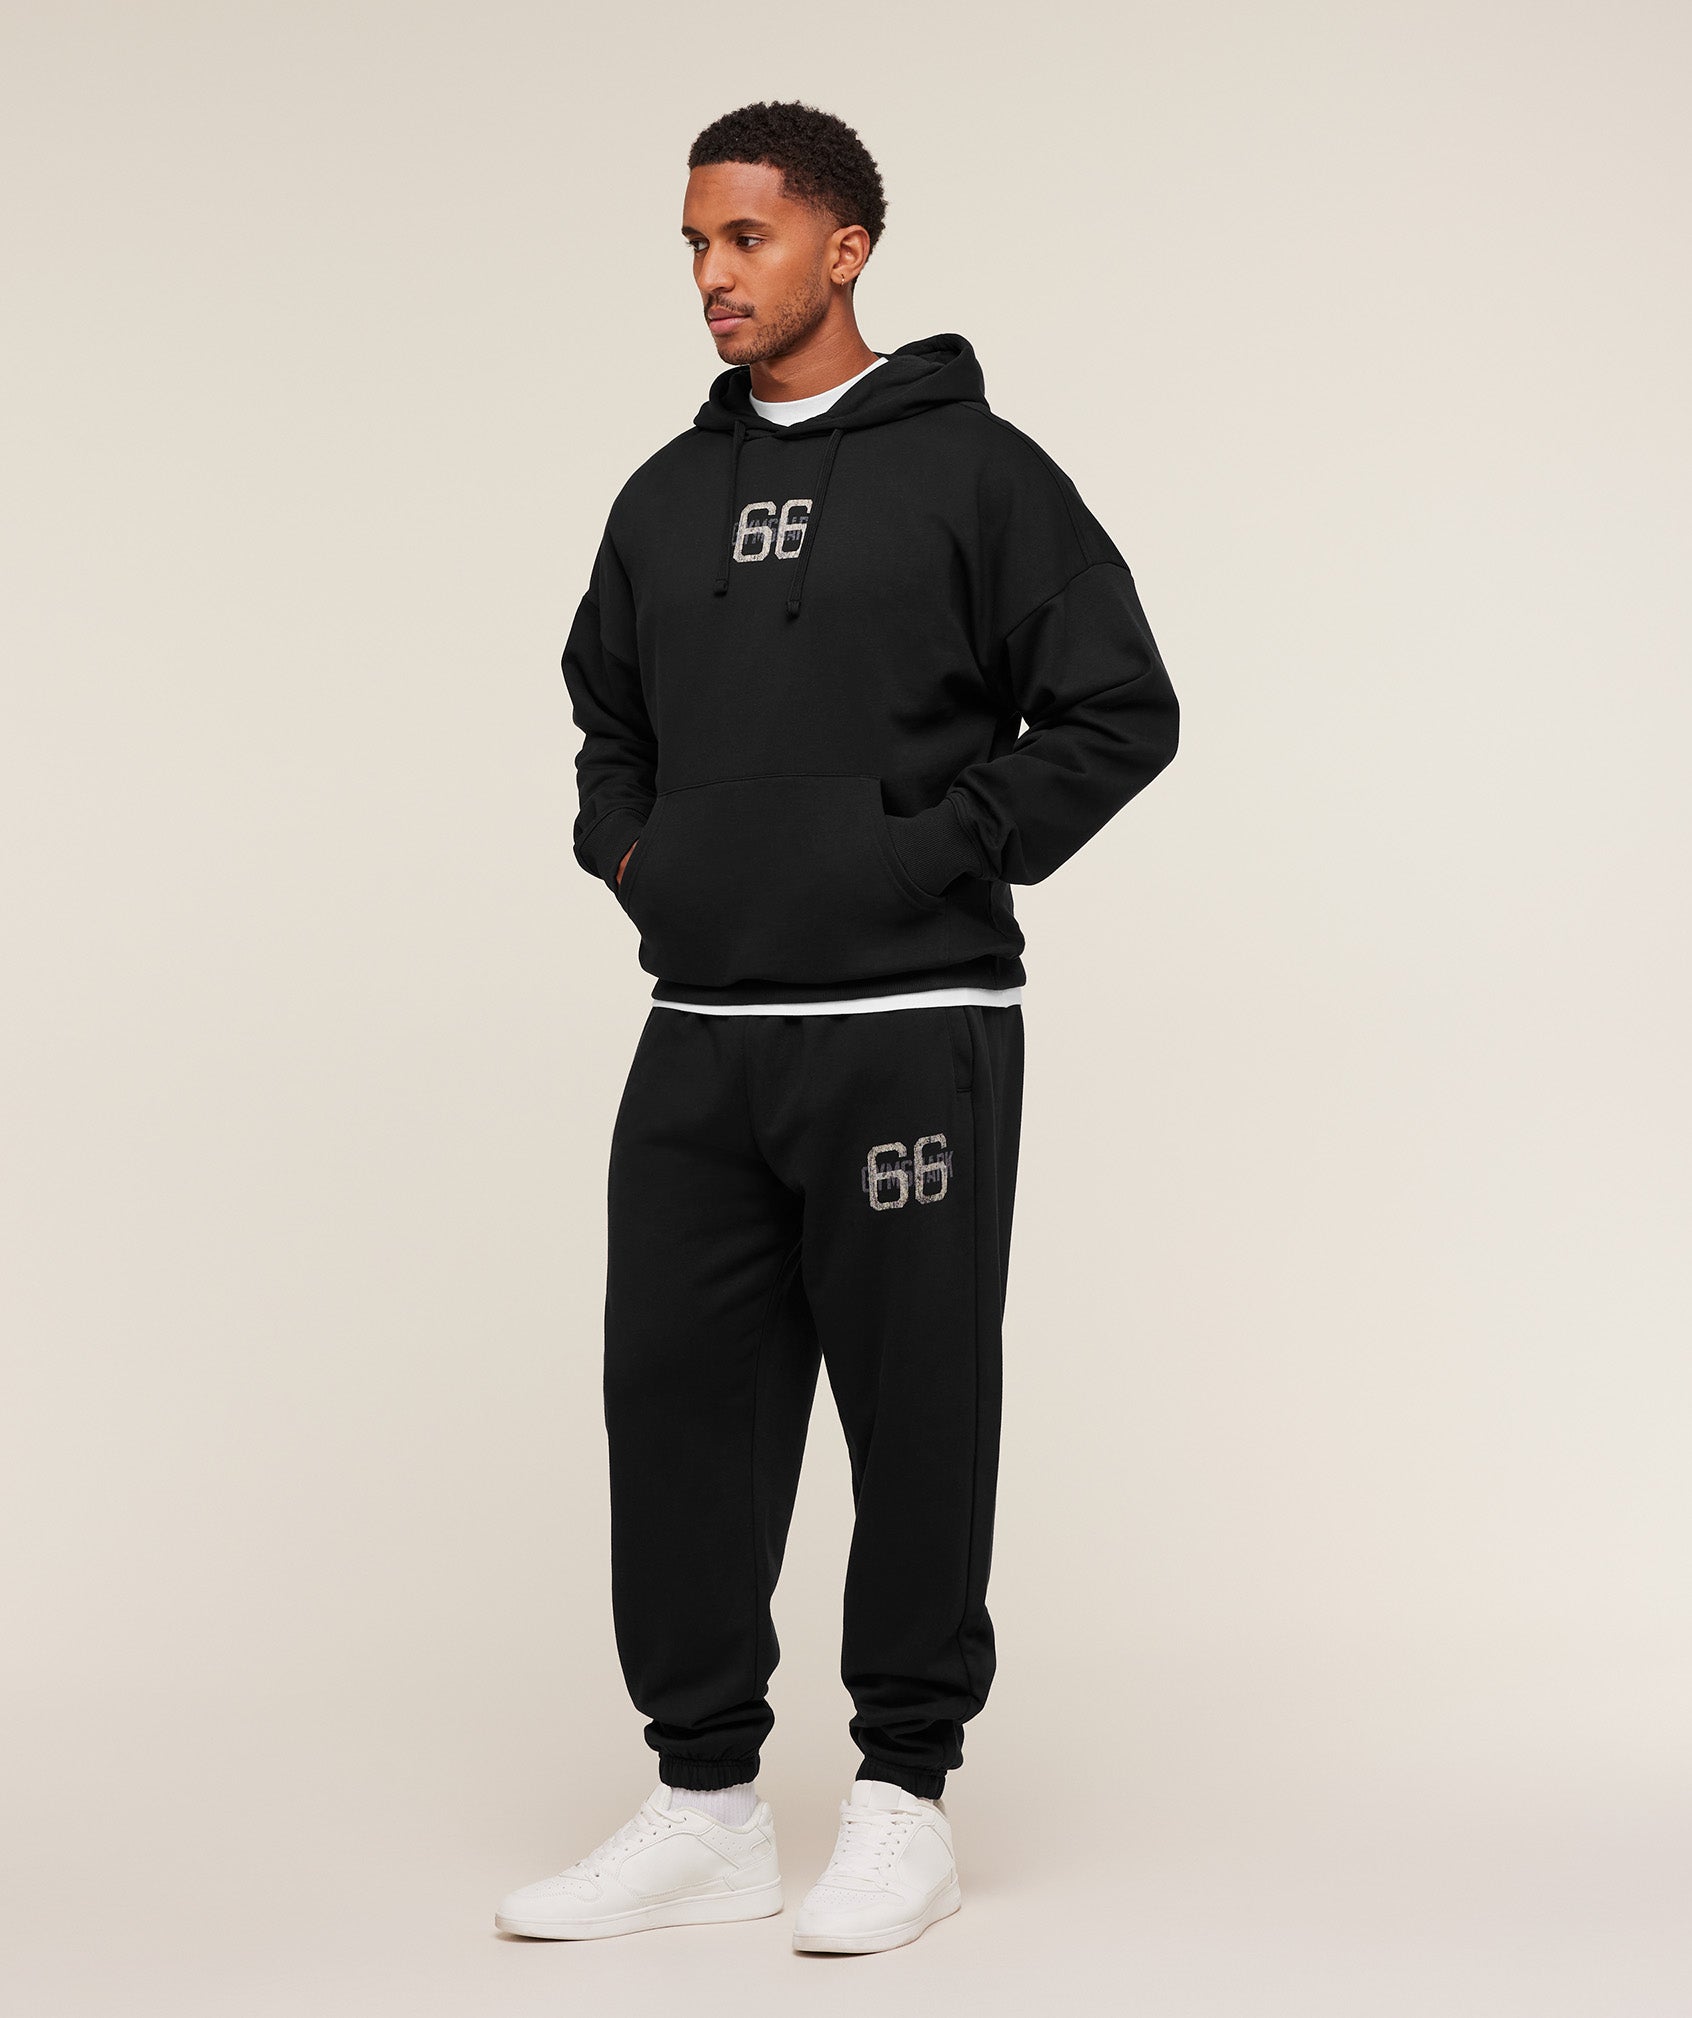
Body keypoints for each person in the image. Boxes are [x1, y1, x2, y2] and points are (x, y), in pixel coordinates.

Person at [495, 98, 1179, 1955]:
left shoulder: (981, 473)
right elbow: (606, 717)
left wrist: (924, 854)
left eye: (747, 238)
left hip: (908, 1019)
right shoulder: (663, 495)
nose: (712, 275)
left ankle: (901, 1797)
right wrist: (638, 856)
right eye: (694, 245)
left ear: (844, 246)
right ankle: (705, 1804)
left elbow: (1119, 708)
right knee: (678, 1406)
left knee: (915, 1403)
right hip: (704, 1025)